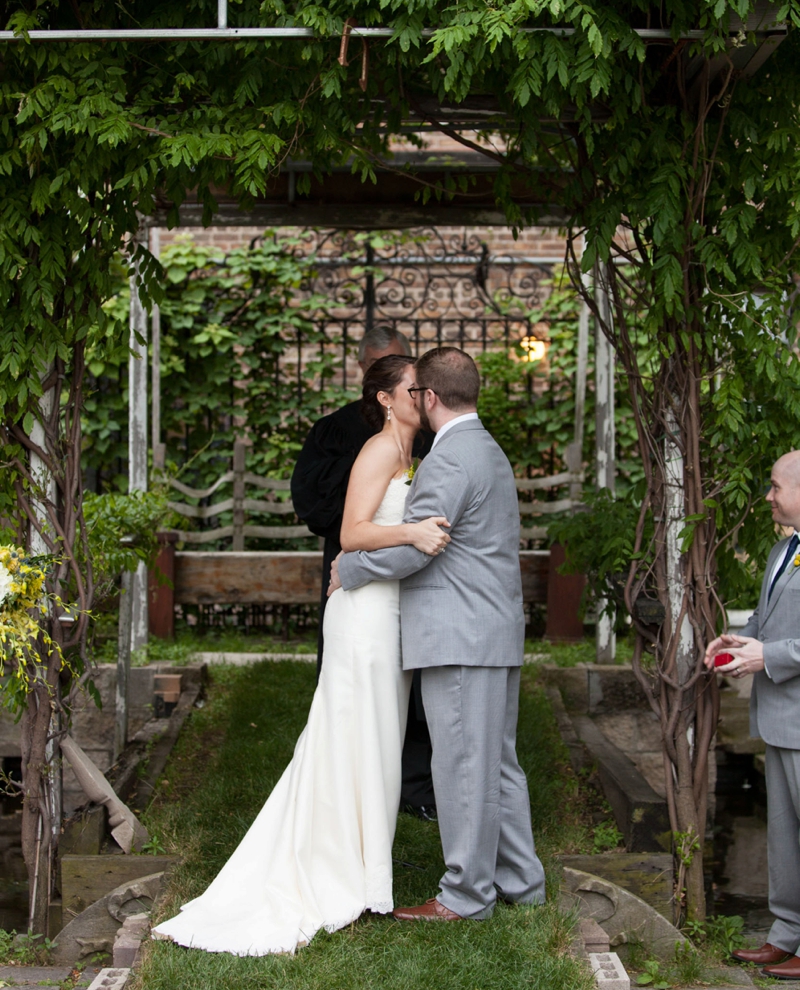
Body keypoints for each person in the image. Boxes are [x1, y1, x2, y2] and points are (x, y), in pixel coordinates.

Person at [152, 355, 451, 956]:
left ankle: (366, 868)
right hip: (363, 619)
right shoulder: (377, 451)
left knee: (376, 740)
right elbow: (351, 533)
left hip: (388, 613)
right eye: (411, 387)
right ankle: (340, 871)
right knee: (352, 736)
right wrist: (411, 532)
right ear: (386, 399)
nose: (423, 394)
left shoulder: (413, 454)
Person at [331, 347, 546, 921]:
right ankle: (522, 884)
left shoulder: (449, 460)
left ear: (428, 397)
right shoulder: (486, 448)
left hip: (459, 634)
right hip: (490, 631)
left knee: (462, 765)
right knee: (497, 762)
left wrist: (346, 570)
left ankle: (466, 895)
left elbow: (417, 548)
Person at [291, 325, 436, 819]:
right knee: (352, 694)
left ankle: (404, 789)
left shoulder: (423, 440)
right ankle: (343, 806)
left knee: (400, 694)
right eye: (403, 379)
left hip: (407, 581)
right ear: (372, 379)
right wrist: (370, 544)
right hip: (358, 574)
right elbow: (329, 512)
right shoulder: (341, 433)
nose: (417, 391)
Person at [705, 450, 800, 978]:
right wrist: (743, 642)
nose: (768, 497)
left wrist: (772, 656)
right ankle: (785, 935)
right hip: (781, 717)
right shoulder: (782, 551)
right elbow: (770, 619)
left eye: (774, 487)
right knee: (784, 835)